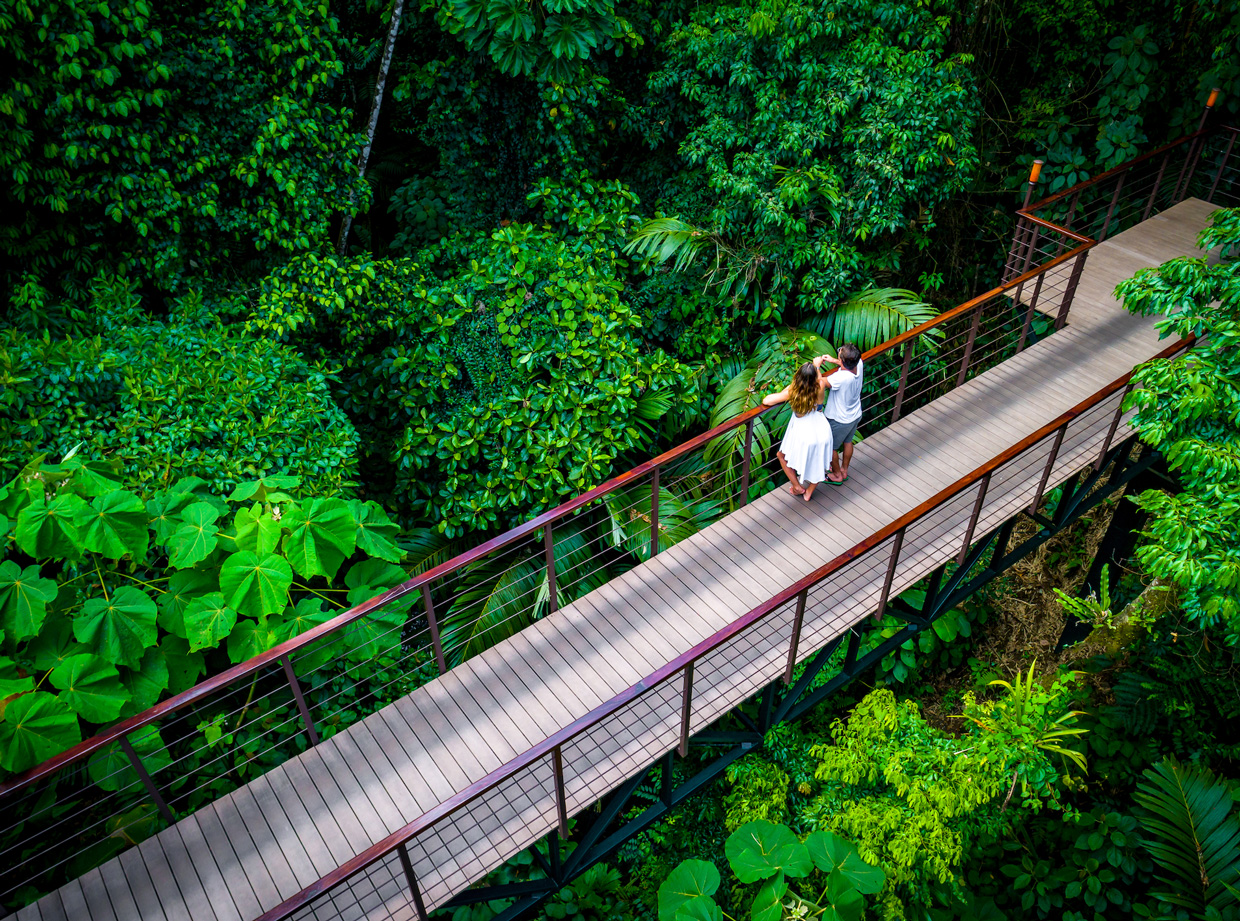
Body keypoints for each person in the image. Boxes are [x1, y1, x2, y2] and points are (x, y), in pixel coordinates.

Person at [762, 356, 834, 501]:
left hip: (803, 432)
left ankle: (797, 486)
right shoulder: (819, 385)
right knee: (820, 462)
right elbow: (819, 378)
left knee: (781, 456)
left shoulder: (793, 391)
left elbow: (767, 400)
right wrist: (817, 366)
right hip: (822, 429)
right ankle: (809, 492)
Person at [822, 343, 864, 485]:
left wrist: (816, 366)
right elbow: (847, 363)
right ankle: (844, 470)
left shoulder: (840, 378)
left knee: (831, 448)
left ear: (843, 360)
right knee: (847, 442)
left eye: (839, 355)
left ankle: (837, 475)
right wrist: (834, 361)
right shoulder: (859, 364)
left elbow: (820, 381)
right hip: (854, 414)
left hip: (839, 420)